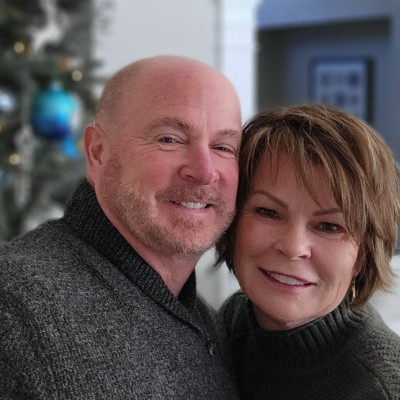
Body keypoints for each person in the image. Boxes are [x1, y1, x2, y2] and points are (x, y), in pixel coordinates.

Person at [0, 55, 242, 399]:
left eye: (223, 147)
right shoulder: (13, 305)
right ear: (97, 152)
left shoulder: (211, 325)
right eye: (169, 139)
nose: (204, 172)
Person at [217, 104, 400, 399]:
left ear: (364, 255)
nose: (293, 247)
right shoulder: (235, 320)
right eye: (268, 212)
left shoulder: (381, 388)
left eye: (329, 226)